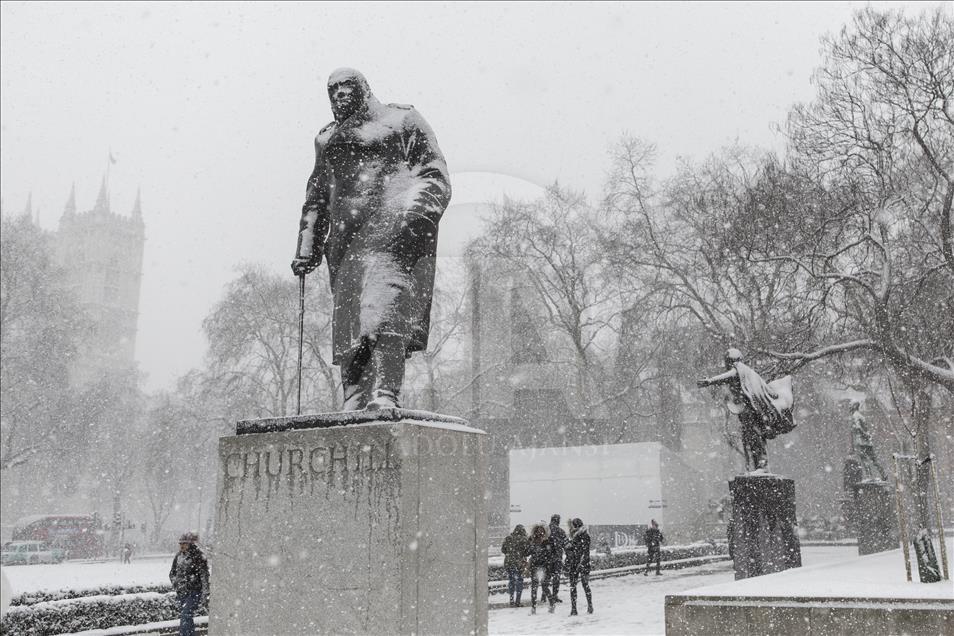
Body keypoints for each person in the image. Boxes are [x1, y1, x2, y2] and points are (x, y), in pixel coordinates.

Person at [291, 68, 452, 411]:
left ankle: (385, 391)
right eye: (333, 90)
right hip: (345, 245)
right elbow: (317, 197)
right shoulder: (327, 139)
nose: (340, 95)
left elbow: (433, 175)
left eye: (347, 87)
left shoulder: (402, 120)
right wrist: (307, 247)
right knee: (349, 322)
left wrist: (410, 218)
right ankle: (354, 396)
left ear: (364, 89)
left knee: (384, 309)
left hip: (391, 235)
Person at [696, 348, 795, 471]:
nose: (726, 365)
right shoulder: (748, 373)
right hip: (750, 414)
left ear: (731, 361)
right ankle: (758, 466)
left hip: (751, 414)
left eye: (727, 361)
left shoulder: (740, 370)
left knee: (755, 439)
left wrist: (710, 381)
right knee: (752, 440)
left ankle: (762, 465)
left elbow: (727, 377)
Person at [169, 532, 210, 636]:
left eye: (184, 543)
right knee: (187, 617)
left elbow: (204, 575)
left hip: (194, 592)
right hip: (182, 592)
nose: (182, 545)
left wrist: (205, 593)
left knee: (186, 614)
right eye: (180, 543)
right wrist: (176, 583)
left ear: (190, 544)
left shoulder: (198, 556)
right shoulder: (178, 556)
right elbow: (172, 573)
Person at [564, 518, 593, 615]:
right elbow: (574, 550)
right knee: (579, 586)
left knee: (581, 585)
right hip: (577, 564)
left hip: (580, 563)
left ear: (575, 526)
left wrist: (580, 563)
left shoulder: (583, 536)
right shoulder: (574, 536)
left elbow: (584, 552)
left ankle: (584, 607)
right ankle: (577, 608)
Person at [526, 522, 555, 614]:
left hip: (544, 567)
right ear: (535, 531)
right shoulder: (532, 540)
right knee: (534, 588)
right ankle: (533, 607)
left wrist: (548, 563)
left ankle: (551, 604)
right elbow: (527, 552)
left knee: (544, 587)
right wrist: (530, 545)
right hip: (535, 566)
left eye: (541, 531)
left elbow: (551, 554)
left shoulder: (547, 541)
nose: (540, 533)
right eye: (538, 531)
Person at [501, 524, 529, 607]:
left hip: (508, 563)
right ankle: (518, 601)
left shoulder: (508, 538)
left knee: (511, 581)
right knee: (519, 581)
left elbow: (503, 550)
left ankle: (511, 600)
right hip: (518, 563)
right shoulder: (524, 539)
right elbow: (527, 552)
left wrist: (510, 554)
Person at [547, 513, 568, 603]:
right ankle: (554, 595)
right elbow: (566, 545)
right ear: (558, 521)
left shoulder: (545, 530)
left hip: (547, 558)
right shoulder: (561, 531)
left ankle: (545, 595)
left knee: (546, 577)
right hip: (557, 558)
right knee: (556, 577)